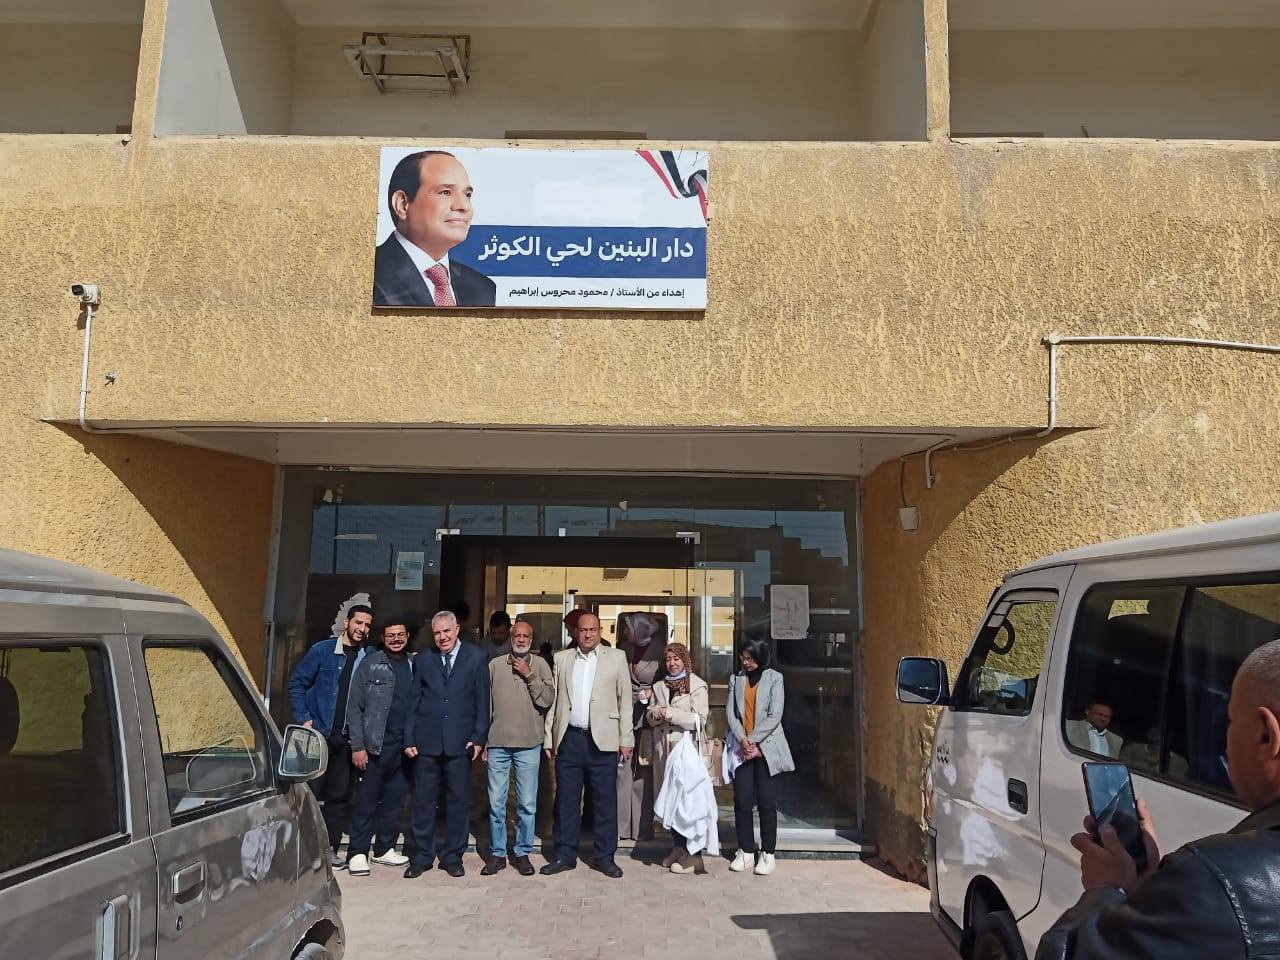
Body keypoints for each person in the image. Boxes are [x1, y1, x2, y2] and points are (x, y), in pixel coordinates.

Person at [1036, 639, 1280, 960]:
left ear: (1266, 735)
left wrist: (1106, 889)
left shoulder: (1213, 879)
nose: (1225, 740)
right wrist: (1154, 885)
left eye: (1231, 721)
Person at [541, 612, 633, 878]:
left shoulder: (616, 658)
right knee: (566, 801)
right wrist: (549, 736)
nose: (588, 634)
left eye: (593, 629)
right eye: (583, 630)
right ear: (575, 632)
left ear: (600, 631)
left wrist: (626, 739)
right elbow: (555, 703)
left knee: (604, 802)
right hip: (570, 739)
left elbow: (625, 701)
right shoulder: (562, 658)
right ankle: (564, 854)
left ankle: (604, 857)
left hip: (603, 740)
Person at [403, 611, 491, 878]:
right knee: (423, 802)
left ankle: (453, 856)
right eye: (437, 633)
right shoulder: (423, 659)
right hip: (426, 742)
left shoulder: (477, 657)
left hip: (460, 742)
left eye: (446, 631)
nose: (442, 637)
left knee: (457, 803)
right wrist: (409, 737)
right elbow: (414, 701)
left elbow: (482, 701)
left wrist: (479, 737)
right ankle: (422, 855)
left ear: (457, 630)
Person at [287, 602, 373, 866]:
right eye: (358, 622)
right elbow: (297, 683)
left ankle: (329, 849)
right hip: (318, 737)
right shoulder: (322, 651)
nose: (362, 629)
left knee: (338, 798)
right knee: (308, 797)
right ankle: (303, 852)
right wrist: (304, 718)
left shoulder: (367, 657)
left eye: (367, 625)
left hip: (346, 739)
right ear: (347, 622)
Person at [373, 150, 496, 308]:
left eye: (467, 195)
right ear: (402, 204)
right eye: (445, 192)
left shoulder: (482, 288)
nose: (464, 206)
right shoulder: (370, 273)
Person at [344, 616, 415, 876]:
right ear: (383, 638)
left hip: (403, 747)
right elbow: (354, 707)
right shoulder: (371, 664)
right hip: (374, 746)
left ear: (407, 636)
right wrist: (357, 746)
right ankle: (357, 852)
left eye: (400, 635)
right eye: (390, 636)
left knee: (394, 802)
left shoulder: (414, 664)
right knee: (366, 801)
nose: (396, 639)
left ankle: (384, 849)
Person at [483, 619, 555, 876]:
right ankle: (497, 853)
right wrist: (484, 741)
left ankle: (523, 852)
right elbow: (486, 705)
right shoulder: (495, 665)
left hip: (528, 744)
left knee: (527, 804)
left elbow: (547, 700)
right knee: (496, 803)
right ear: (510, 638)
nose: (521, 639)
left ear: (531, 639)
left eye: (525, 636)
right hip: (498, 743)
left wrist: (529, 674)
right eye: (517, 636)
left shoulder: (541, 664)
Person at [726, 637, 793, 876]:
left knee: (766, 802)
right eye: (743, 658)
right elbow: (731, 713)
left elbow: (775, 715)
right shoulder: (736, 679)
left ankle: (768, 852)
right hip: (743, 748)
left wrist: (753, 740)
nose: (746, 663)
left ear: (761, 657)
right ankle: (745, 851)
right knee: (742, 800)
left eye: (750, 659)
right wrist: (743, 739)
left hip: (765, 749)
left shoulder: (775, 678)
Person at [647, 642, 710, 874]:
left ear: (685, 660)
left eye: (677, 659)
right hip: (664, 750)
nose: (672, 663)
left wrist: (670, 713)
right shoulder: (659, 686)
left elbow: (699, 719)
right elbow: (650, 716)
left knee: (688, 803)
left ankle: (694, 855)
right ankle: (678, 847)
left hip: (686, 751)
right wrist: (657, 713)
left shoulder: (696, 685)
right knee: (671, 800)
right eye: (668, 659)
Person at [616, 611, 666, 841]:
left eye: (628, 628)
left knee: (643, 772)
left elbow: (667, 682)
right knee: (621, 770)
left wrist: (652, 692)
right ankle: (620, 827)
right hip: (624, 715)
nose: (625, 631)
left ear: (640, 630)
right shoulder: (623, 650)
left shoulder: (660, 651)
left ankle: (641, 828)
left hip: (648, 718)